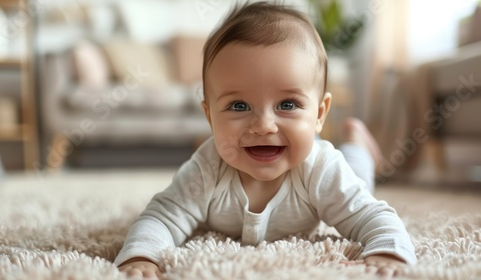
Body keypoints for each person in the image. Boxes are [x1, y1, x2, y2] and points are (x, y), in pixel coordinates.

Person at [115, 2, 416, 279]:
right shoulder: (207, 168)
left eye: (287, 104)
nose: (263, 126)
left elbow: (371, 216)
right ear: (210, 117)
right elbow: (162, 217)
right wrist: (141, 257)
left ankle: (357, 144)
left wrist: (387, 253)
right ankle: (352, 139)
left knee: (358, 178)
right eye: (239, 106)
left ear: (319, 113)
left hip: (338, 169)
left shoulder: (321, 168)